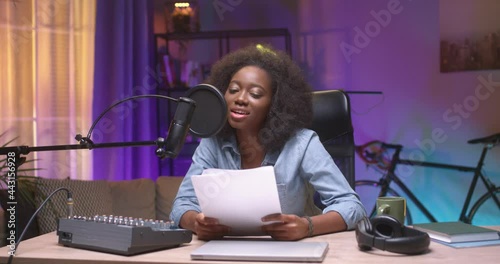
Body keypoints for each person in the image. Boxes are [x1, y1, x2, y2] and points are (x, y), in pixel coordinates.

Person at [170, 44, 366, 241]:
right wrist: (196, 222)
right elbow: (182, 205)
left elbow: (352, 206)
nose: (240, 99)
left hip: (290, 252)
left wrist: (307, 226)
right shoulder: (212, 143)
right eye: (233, 90)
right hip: (227, 252)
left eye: (255, 94)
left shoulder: (302, 143)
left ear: (275, 104)